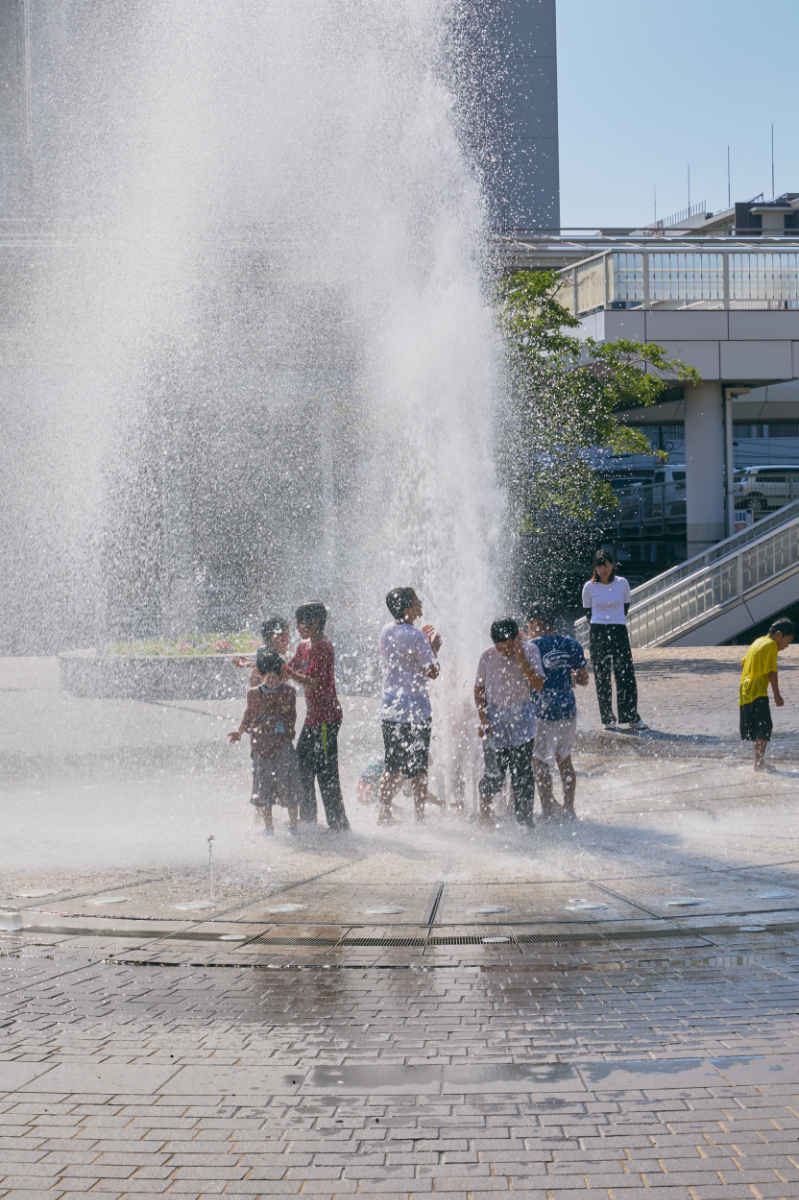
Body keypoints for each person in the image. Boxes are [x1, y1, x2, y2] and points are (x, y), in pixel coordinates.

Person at [377, 587, 442, 826]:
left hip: (391, 708)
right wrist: (433, 648)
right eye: (417, 601)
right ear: (408, 610)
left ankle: (383, 815)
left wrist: (422, 641)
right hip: (415, 711)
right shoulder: (416, 636)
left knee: (392, 766)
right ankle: (419, 818)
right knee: (419, 767)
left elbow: (396, 661)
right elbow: (432, 672)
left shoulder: (386, 630)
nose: (421, 602)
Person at [283, 602, 350, 831]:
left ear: (315, 622)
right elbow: (286, 668)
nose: (298, 627)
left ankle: (339, 825)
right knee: (302, 765)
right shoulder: (303, 646)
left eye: (301, 622)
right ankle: (308, 818)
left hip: (326, 719)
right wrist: (259, 666)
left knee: (326, 772)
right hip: (313, 719)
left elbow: (314, 682)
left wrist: (289, 673)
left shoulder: (323, 647)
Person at [474, 617, 544, 830]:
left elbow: (538, 685)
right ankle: (484, 815)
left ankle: (525, 821)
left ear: (517, 639)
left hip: (521, 720)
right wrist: (483, 719)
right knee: (494, 773)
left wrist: (521, 659)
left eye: (508, 647)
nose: (504, 652)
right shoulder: (487, 655)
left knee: (522, 775)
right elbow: (479, 690)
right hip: (494, 721)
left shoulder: (530, 651)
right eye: (500, 647)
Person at [227, 647, 302, 836]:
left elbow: (292, 716)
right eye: (268, 676)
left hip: (280, 746)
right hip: (262, 748)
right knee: (264, 787)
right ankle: (269, 827)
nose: (271, 680)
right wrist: (239, 731)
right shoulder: (254, 694)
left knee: (288, 784)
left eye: (275, 675)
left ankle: (293, 824)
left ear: (282, 674)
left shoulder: (289, 692)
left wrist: (289, 733)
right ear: (259, 674)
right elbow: (248, 715)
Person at [525, 603, 589, 821]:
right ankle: (570, 810)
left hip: (544, 713)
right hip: (568, 711)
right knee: (565, 759)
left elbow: (528, 680)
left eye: (529, 624)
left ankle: (547, 811)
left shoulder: (532, 646)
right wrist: (568, 677)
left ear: (535, 622)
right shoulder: (571, 643)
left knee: (540, 761)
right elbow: (583, 679)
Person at [582, 550, 647, 731]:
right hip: (598, 630)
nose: (603, 570)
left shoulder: (622, 583)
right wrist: (602, 622)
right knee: (602, 675)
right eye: (599, 566)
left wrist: (613, 620)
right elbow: (588, 612)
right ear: (595, 567)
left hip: (618, 629)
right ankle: (607, 718)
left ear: (612, 566)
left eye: (606, 566)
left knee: (625, 672)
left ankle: (631, 715)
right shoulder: (589, 586)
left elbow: (625, 606)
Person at [739, 617, 795, 771]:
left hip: (745, 689)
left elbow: (743, 663)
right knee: (764, 726)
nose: (787, 646)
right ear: (778, 635)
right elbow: (772, 672)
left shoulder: (758, 642)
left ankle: (758, 761)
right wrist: (777, 695)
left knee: (756, 727)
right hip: (757, 689)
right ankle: (759, 763)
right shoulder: (771, 645)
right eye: (788, 641)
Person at [232, 616, 291, 687]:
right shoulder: (264, 651)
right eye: (287, 634)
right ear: (276, 637)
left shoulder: (266, 652)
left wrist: (255, 664)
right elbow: (253, 679)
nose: (289, 639)